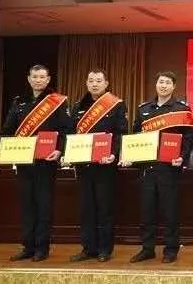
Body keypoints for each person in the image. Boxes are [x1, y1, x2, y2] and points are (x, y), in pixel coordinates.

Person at [0, 64, 70, 262]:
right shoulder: (19, 102)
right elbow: (7, 130)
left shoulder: (57, 102)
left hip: (46, 162)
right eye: (35, 76)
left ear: (48, 79)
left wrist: (60, 149)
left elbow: (66, 131)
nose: (38, 80)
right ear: (28, 79)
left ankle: (42, 248)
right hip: (24, 162)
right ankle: (27, 246)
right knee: (27, 206)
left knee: (43, 206)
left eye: (42, 77)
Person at [123, 71, 193, 264]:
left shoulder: (181, 109)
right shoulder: (144, 109)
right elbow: (136, 135)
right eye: (161, 82)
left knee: (170, 211)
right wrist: (131, 156)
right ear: (156, 85)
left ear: (173, 86)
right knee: (147, 211)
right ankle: (147, 248)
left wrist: (182, 157)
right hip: (147, 168)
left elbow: (190, 137)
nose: (163, 85)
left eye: (167, 83)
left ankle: (171, 249)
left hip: (169, 168)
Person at [68, 69, 128, 263]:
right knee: (86, 209)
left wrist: (113, 154)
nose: (95, 84)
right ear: (86, 83)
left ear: (106, 83)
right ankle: (88, 248)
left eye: (99, 81)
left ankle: (104, 249)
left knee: (104, 208)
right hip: (84, 166)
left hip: (105, 166)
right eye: (91, 80)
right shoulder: (78, 106)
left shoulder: (116, 105)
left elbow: (120, 134)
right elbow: (71, 134)